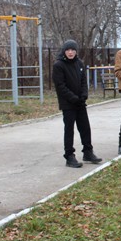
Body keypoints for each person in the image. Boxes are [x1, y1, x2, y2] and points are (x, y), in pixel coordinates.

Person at [52, 39, 102, 168]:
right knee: (69, 130)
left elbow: (84, 81)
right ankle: (69, 156)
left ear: (76, 51)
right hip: (68, 104)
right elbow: (60, 86)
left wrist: (84, 95)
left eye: (73, 50)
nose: (70, 52)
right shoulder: (59, 65)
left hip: (80, 103)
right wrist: (73, 98)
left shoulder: (79, 63)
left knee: (85, 128)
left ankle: (88, 152)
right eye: (68, 50)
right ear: (64, 51)